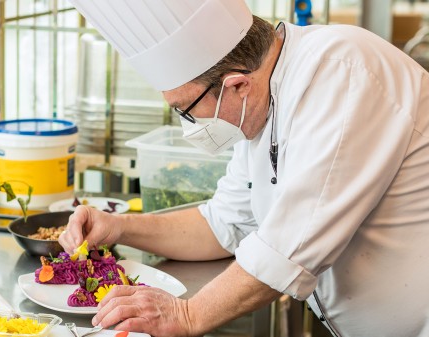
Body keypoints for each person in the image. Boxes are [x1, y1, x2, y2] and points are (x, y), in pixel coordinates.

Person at [59, 1, 429, 336]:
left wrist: (187, 315)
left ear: (236, 85)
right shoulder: (262, 102)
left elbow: (289, 249)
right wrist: (120, 228)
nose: (188, 125)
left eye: (185, 110)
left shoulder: (342, 72)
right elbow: (225, 225)